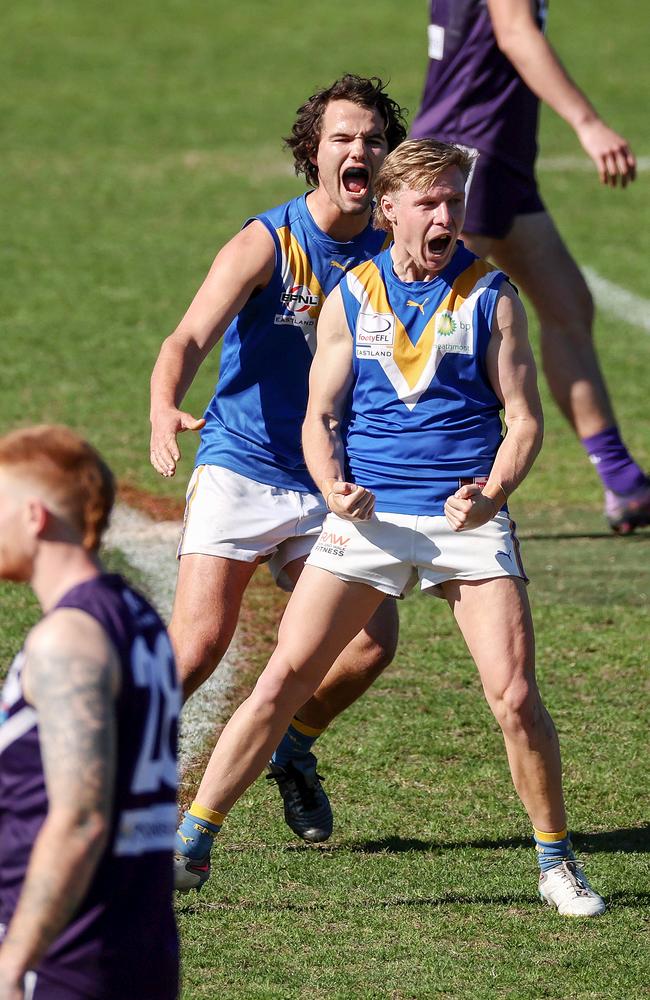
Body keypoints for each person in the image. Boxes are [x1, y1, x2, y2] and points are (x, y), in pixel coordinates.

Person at [171, 139, 607, 917]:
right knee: (282, 679)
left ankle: (557, 862)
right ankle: (192, 843)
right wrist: (332, 486)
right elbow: (320, 415)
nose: (445, 216)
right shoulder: (354, 296)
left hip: (462, 520)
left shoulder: (491, 297)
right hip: (368, 521)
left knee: (513, 696)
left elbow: (526, 422)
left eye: (453, 202)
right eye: (430, 203)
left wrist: (494, 490)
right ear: (391, 211)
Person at [149, 75, 406, 887]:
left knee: (370, 646)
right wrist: (164, 404)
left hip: (330, 480)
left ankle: (292, 744)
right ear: (314, 152)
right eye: (342, 138)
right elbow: (189, 334)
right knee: (196, 649)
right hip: (243, 463)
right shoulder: (271, 239)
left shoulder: (394, 251)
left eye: (370, 138)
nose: (357, 150)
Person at [411, 0, 649, 535]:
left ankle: (623, 480)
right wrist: (588, 124)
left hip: (498, 154)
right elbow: (514, 31)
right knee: (427, 322)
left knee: (567, 304)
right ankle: (376, 478)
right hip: (474, 152)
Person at [0, 425, 180, 999]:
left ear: (34, 515)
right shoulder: (137, 617)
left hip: (67, 957)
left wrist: (12, 965)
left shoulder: (68, 641)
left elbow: (79, 819)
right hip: (139, 944)